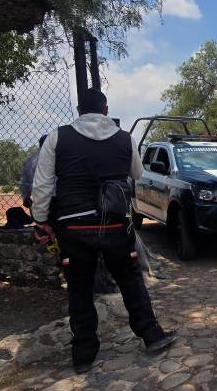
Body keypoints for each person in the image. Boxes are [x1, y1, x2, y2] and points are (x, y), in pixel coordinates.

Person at [32, 89, 175, 373]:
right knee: (130, 280)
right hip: (114, 223)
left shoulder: (57, 137)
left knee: (79, 288)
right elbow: (137, 174)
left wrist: (41, 220)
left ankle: (83, 355)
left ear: (79, 109)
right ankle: (151, 335)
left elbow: (43, 185)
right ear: (106, 109)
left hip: (72, 225)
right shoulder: (124, 138)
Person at [20, 134, 47, 210]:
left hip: (40, 195)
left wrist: (26, 197)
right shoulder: (60, 156)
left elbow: (26, 181)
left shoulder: (31, 160)